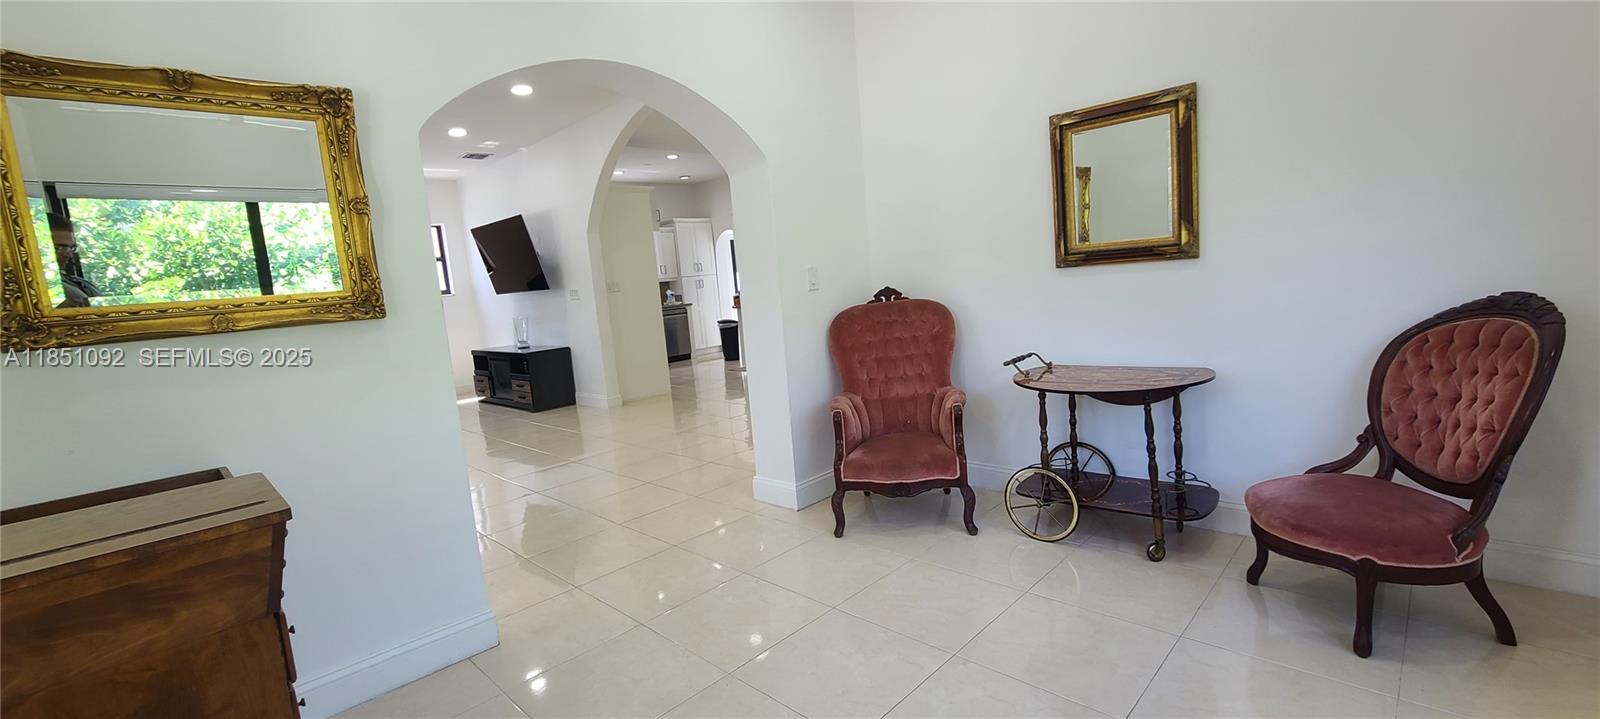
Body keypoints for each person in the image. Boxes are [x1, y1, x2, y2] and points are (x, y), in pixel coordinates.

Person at [47, 213, 100, 308]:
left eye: (71, 248)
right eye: (59, 248)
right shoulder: (33, 289)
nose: (68, 254)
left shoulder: (77, 282)